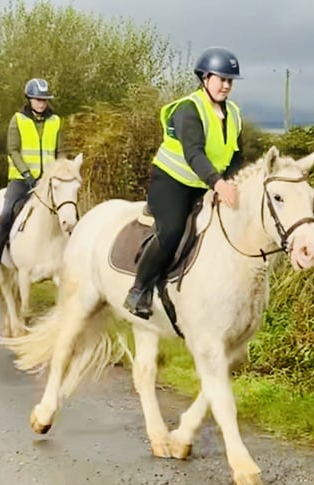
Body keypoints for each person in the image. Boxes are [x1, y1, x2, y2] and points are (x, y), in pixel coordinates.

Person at [123, 46, 245, 319]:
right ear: (204, 78)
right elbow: (194, 153)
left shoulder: (234, 113)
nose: (226, 86)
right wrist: (218, 184)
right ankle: (138, 290)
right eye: (221, 79)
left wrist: (227, 182)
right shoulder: (189, 109)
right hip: (172, 183)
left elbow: (237, 154)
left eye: (230, 81)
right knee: (173, 230)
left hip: (207, 184)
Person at [0, 78, 64, 273]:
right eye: (37, 99)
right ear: (29, 99)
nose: (41, 103)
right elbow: (13, 150)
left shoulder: (55, 120)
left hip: (48, 181)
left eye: (44, 100)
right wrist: (26, 174)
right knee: (7, 212)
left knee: (68, 212)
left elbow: (61, 151)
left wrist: (59, 172)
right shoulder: (18, 119)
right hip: (21, 179)